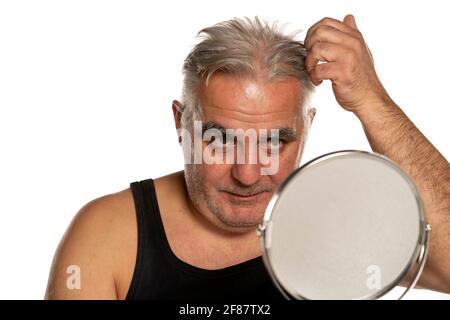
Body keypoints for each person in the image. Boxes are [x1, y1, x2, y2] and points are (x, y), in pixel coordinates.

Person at [45, 15, 450, 299]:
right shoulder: (110, 234)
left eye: (274, 142)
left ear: (306, 129)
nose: (247, 172)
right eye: (220, 140)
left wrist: (370, 100)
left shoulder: (336, 226)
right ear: (180, 123)